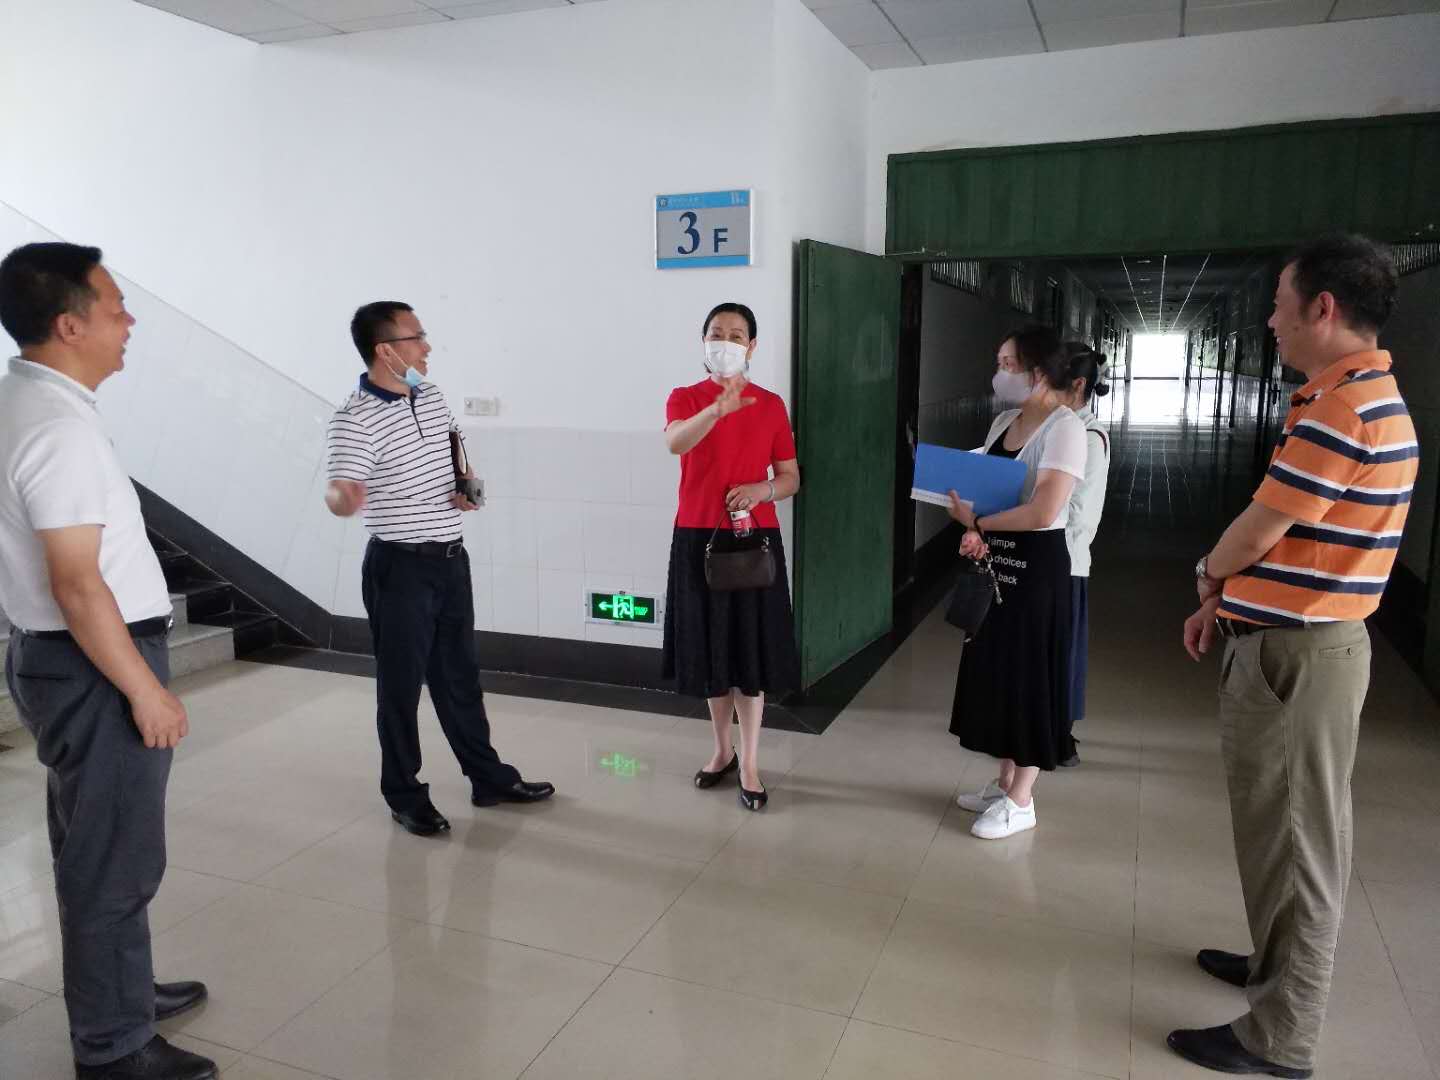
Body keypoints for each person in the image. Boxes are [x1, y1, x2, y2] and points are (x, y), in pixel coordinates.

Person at [1169, 235, 1415, 1078]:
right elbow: (1290, 541)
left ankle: (1279, 1038)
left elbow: (1260, 527)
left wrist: (1209, 573)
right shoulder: (1353, 398)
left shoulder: (1344, 410)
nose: (1270, 321)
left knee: (1302, 842)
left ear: (1323, 307)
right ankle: (1272, 968)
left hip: (1299, 658)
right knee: (1280, 829)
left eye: (1279, 305)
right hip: (1297, 641)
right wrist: (1226, 600)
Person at [0, 243, 215, 1080]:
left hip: (60, 658)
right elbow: (78, 584)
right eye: (117, 308)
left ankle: (122, 992)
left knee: (95, 847)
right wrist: (145, 691)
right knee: (114, 862)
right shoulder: (58, 430)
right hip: (94, 667)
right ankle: (114, 1048)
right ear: (69, 324)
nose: (131, 322)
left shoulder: (27, 401)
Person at [323, 301, 552, 837]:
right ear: (386, 350)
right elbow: (340, 490)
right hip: (399, 568)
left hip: (450, 560)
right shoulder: (354, 418)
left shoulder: (430, 395)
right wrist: (343, 498)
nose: (427, 347)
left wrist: (465, 487)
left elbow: (455, 454)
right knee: (400, 689)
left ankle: (488, 778)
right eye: (417, 337)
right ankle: (404, 793)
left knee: (460, 678)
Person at [947, 326, 1087, 840]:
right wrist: (974, 529)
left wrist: (979, 522)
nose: (999, 373)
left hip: (1037, 568)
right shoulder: (1005, 422)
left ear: (1039, 372)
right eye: (999, 362)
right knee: (999, 672)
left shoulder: (1065, 428)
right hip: (996, 559)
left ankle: (1022, 799)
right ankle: (1005, 782)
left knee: (1030, 675)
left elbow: (1044, 510)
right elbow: (990, 490)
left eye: (1009, 364)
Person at [662, 302, 800, 811]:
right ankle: (721, 751)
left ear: (752, 346)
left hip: (753, 542)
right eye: (716, 333)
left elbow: (790, 477)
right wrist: (716, 410)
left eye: (736, 335)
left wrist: (762, 490)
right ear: (703, 341)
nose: (725, 341)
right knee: (711, 651)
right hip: (697, 538)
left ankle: (751, 763)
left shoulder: (771, 405)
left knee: (749, 654)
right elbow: (676, 442)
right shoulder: (685, 397)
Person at [1057, 342, 1111, 767]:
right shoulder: (1058, 429)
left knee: (1062, 654)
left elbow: (1078, 514)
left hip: (1066, 562)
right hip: (1043, 558)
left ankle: (1060, 736)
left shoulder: (1090, 439)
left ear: (1077, 386)